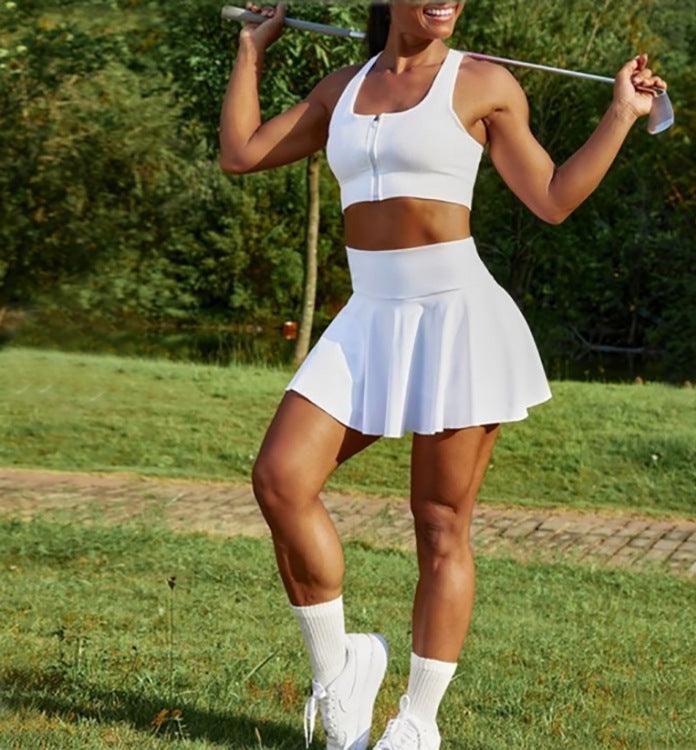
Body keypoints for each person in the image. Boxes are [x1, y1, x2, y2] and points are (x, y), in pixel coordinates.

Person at [219, 2, 667, 748]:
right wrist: (250, 50)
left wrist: (621, 113)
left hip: (457, 317)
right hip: (369, 316)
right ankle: (340, 675)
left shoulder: (484, 85)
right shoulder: (341, 88)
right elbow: (241, 152)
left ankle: (417, 723)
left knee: (439, 523)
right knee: (280, 480)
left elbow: (553, 198)